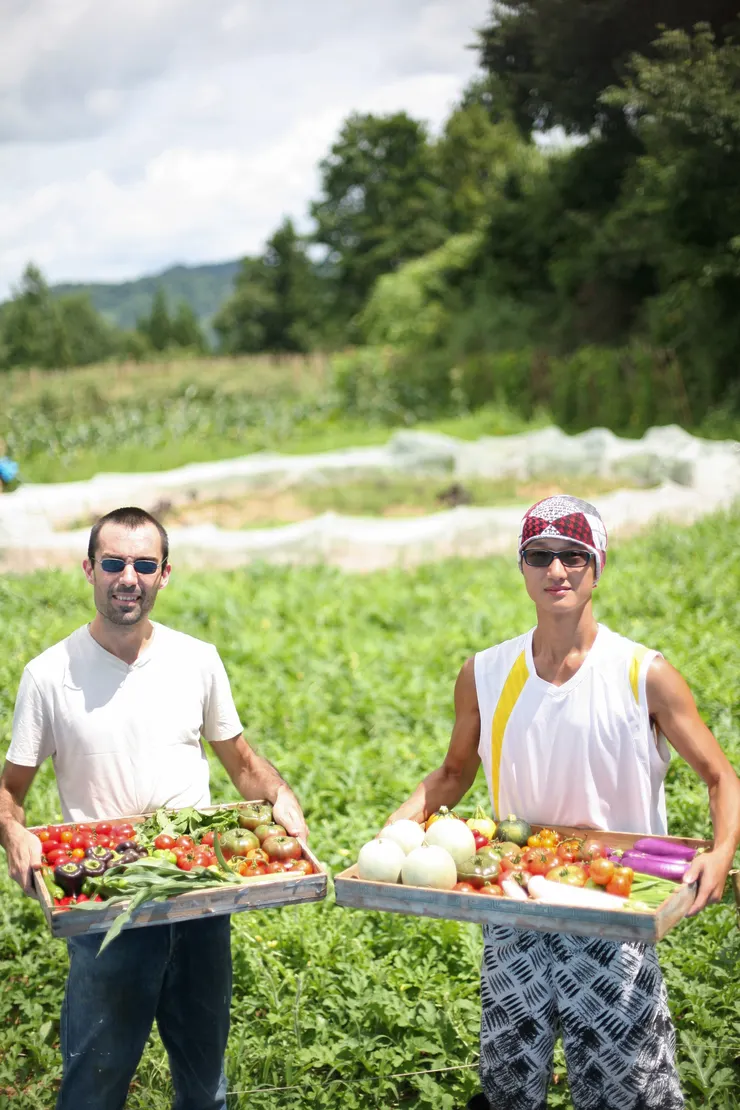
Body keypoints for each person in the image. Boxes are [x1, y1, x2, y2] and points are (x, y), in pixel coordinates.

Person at [387, 495, 740, 1110]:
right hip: (515, 901)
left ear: (597, 566)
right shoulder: (486, 673)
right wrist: (397, 825)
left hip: (612, 904)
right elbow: (453, 772)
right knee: (509, 1083)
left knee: (629, 1089)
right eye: (540, 555)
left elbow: (719, 775)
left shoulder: (642, 673)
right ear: (522, 569)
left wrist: (723, 850)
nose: (557, 570)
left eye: (574, 556)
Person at [0, 505, 308, 1110]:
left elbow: (242, 762)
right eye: (114, 563)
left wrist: (279, 794)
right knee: (94, 1086)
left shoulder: (197, 659)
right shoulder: (49, 675)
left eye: (144, 565)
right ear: (89, 568)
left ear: (165, 574)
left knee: (204, 1086)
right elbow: (10, 790)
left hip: (198, 892)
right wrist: (13, 832)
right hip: (106, 898)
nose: (128, 578)